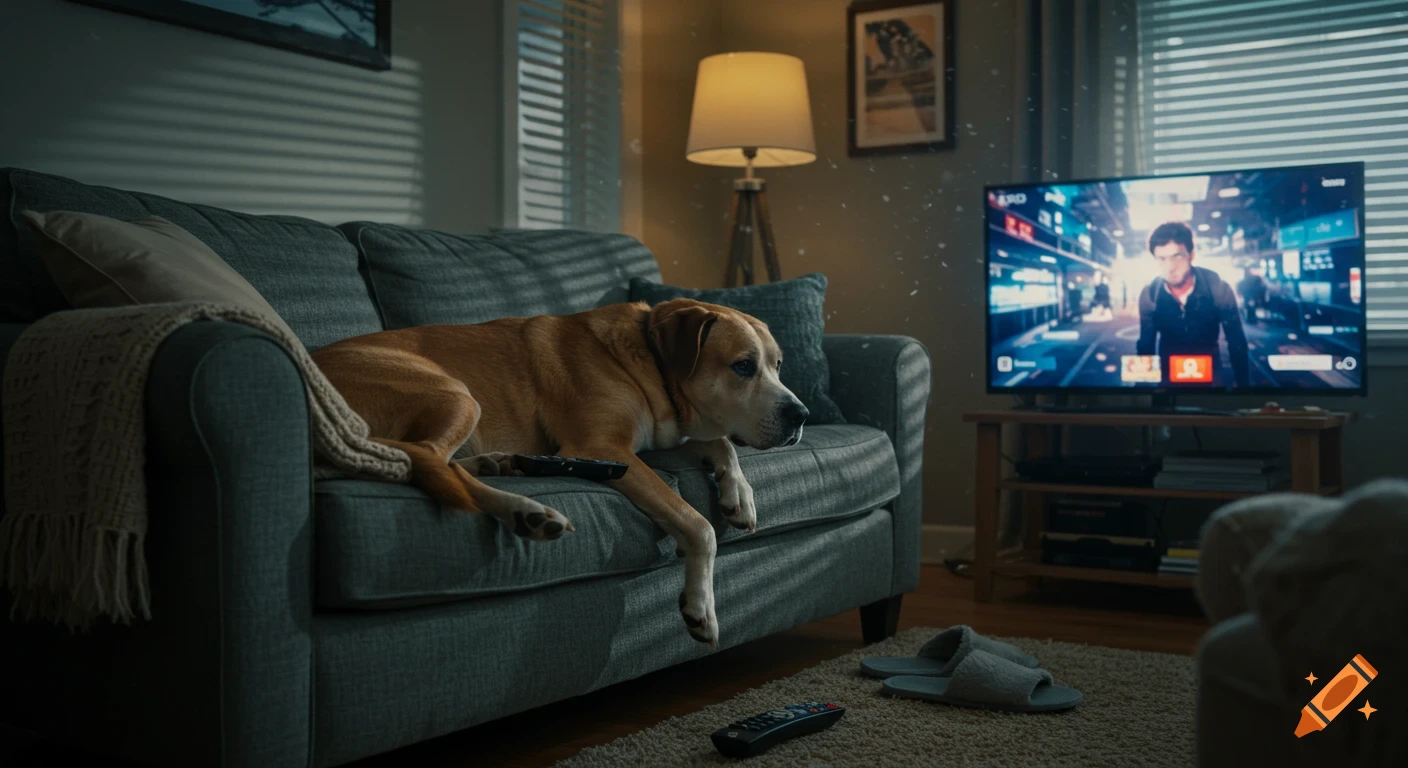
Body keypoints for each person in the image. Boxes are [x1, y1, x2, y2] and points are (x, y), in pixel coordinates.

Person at [1136, 221, 1250, 387]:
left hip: (1210, 373)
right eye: (1161, 259)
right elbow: (1146, 346)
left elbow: (1237, 342)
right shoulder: (1150, 295)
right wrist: (1142, 391)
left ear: (1192, 255)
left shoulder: (1218, 289)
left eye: (1177, 256)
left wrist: (1244, 387)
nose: (1170, 267)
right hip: (1169, 374)